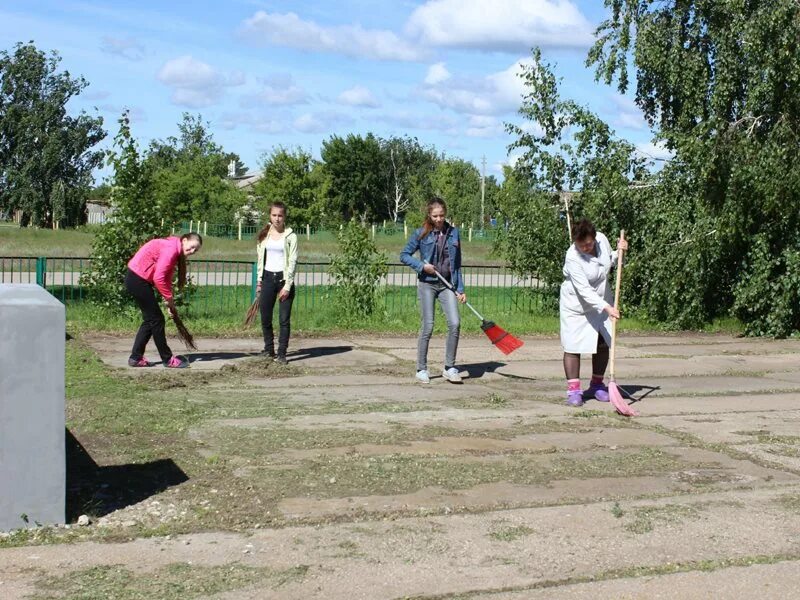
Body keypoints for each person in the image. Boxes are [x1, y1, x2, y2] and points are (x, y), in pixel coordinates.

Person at [560, 218, 628, 406]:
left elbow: (608, 262)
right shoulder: (572, 257)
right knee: (573, 346)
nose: (586, 248)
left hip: (602, 300)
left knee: (603, 342)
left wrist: (619, 252)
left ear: (594, 238)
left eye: (588, 244)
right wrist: (606, 307)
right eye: (581, 245)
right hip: (577, 306)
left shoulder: (602, 240)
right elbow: (584, 290)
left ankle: (597, 386)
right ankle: (574, 392)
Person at [400, 197, 467, 384]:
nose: (439, 219)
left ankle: (449, 367)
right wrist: (422, 266)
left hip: (447, 285)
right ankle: (421, 369)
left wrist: (460, 289)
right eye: (435, 216)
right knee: (428, 326)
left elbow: (457, 265)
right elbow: (404, 255)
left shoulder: (453, 233)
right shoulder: (421, 233)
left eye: (442, 215)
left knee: (455, 323)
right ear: (429, 215)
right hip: (427, 284)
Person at [125, 232, 203, 368]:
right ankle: (167, 359)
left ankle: (135, 358)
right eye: (191, 247)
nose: (192, 251)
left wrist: (169, 303)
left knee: (151, 320)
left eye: (195, 250)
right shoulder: (171, 250)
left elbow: (165, 278)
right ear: (184, 240)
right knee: (157, 320)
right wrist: (168, 298)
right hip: (137, 280)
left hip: (137, 279)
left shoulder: (174, 248)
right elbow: (158, 278)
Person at [255, 202, 298, 364]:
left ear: (284, 216)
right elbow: (260, 259)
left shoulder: (291, 236)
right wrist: (259, 281)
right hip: (267, 279)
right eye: (274, 215)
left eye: (280, 215)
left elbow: (292, 261)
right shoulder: (264, 235)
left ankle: (281, 354)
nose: (277, 218)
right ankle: (269, 350)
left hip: (283, 281)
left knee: (283, 320)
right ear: (270, 216)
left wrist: (287, 286)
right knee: (265, 317)